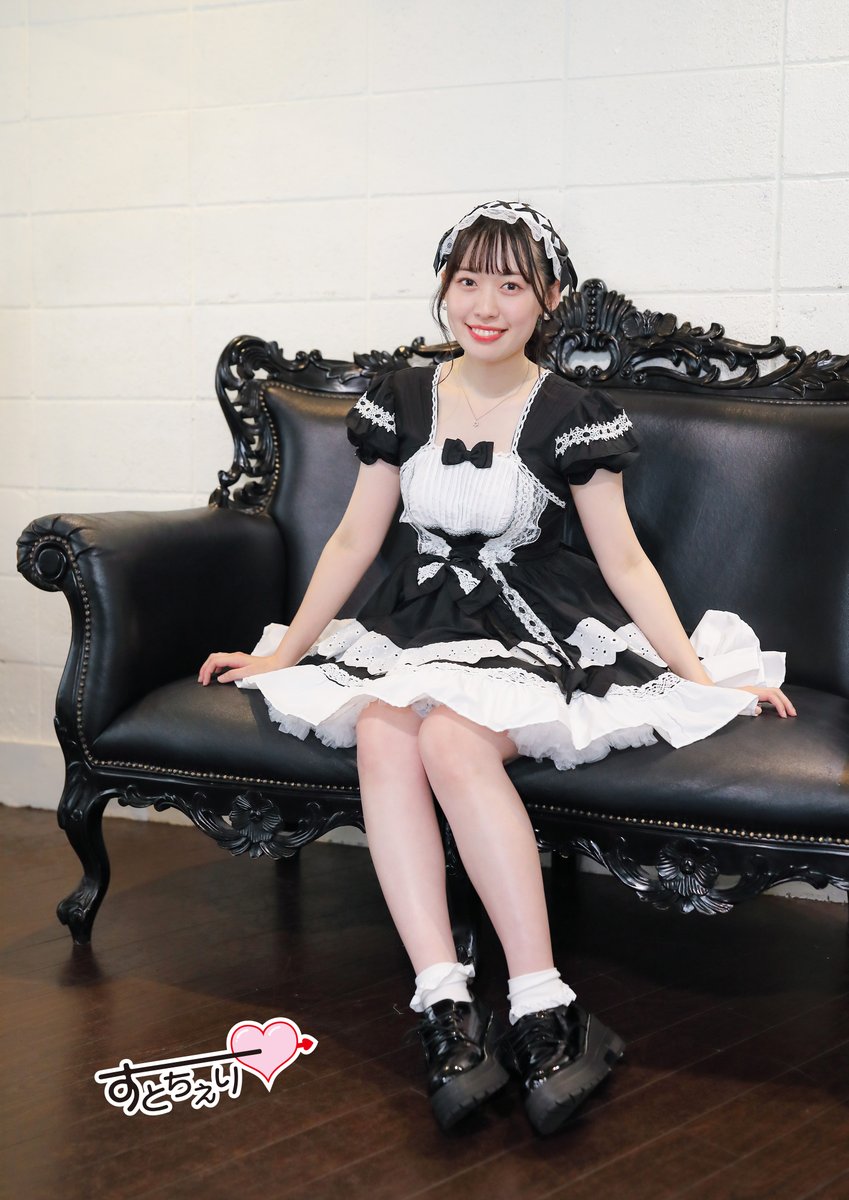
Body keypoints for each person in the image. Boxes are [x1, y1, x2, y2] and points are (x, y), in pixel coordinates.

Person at [198, 200, 796, 1137]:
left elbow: (623, 559)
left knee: (450, 739)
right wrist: (284, 651)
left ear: (547, 298)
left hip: (536, 625)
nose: (484, 304)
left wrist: (694, 674)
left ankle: (541, 1002)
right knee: (385, 733)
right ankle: (443, 1000)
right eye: (467, 280)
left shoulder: (573, 414)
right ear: (445, 288)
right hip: (416, 619)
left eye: (510, 285)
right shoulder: (401, 397)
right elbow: (355, 538)